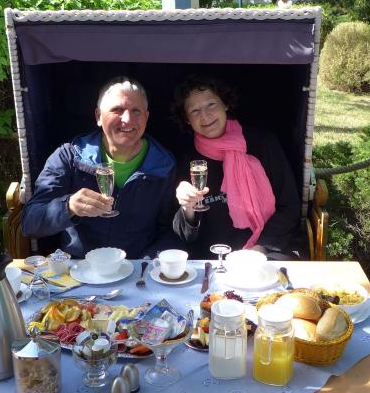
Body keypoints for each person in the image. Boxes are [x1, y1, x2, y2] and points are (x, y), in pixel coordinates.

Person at [21, 76, 180, 259]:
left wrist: (146, 264)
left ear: (146, 117)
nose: (127, 119)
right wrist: (69, 206)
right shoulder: (69, 157)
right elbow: (30, 223)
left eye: (136, 111)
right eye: (117, 110)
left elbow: (170, 230)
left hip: (136, 267)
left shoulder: (164, 165)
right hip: (80, 267)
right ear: (98, 116)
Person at [171, 75, 303, 259]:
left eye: (211, 105)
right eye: (194, 110)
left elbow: (290, 206)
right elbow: (184, 235)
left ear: (225, 104)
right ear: (187, 119)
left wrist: (260, 248)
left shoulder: (263, 143)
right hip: (211, 259)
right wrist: (188, 208)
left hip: (266, 252)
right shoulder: (188, 159)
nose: (205, 116)